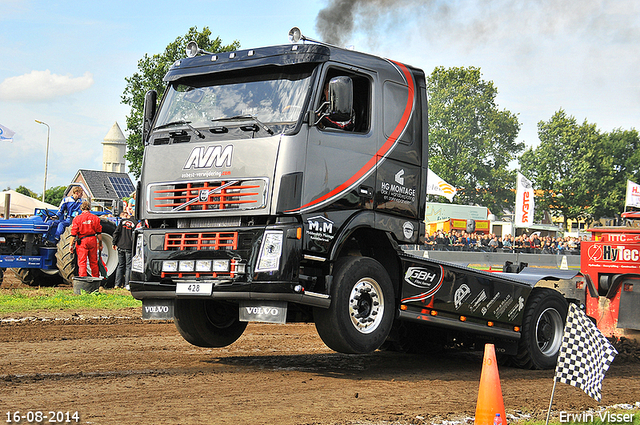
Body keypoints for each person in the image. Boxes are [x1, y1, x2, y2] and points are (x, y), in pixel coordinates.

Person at [70, 201, 102, 278]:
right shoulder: (95, 218)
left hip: (82, 240)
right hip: (92, 240)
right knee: (94, 262)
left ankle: (83, 280)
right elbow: (99, 233)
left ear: (81, 209)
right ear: (90, 208)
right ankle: (95, 279)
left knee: (82, 262)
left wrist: (71, 245)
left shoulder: (77, 219)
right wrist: (100, 244)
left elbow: (73, 234)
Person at [112, 210, 136, 289]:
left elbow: (116, 232)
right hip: (129, 246)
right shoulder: (135, 223)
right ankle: (127, 284)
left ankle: (117, 284)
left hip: (120, 245)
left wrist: (114, 243)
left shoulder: (122, 221)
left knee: (120, 265)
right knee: (128, 266)